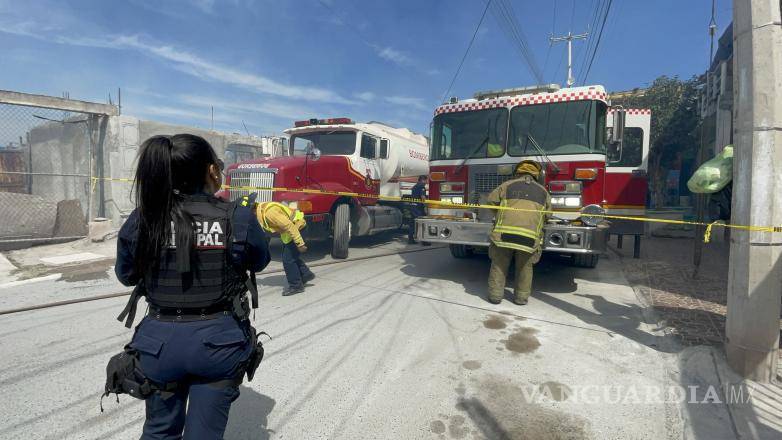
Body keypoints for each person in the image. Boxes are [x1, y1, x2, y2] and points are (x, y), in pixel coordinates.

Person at [115, 134, 271, 439]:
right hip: (219, 346)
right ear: (211, 171)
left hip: (158, 347)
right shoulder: (238, 216)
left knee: (159, 432)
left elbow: (127, 275)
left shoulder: (144, 218)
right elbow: (261, 260)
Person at [486, 160, 550, 305]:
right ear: (536, 175)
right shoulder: (543, 192)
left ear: (518, 172)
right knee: (525, 267)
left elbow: (490, 201)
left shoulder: (507, 186)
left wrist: (500, 214)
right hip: (529, 238)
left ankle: (495, 296)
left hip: (503, 235)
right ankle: (521, 298)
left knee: (499, 265)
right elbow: (548, 214)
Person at [256, 201, 314, 295]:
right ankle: (306, 274)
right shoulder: (261, 209)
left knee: (288, 260)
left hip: (297, 229)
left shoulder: (269, 213)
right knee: (291, 257)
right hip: (291, 233)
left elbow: (289, 226)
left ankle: (296, 286)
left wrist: (300, 243)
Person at [407, 175, 428, 244]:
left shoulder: (415, 186)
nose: (426, 182)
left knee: (412, 223)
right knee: (422, 223)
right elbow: (423, 197)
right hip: (418, 208)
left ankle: (410, 239)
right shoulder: (422, 187)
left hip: (412, 207)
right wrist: (425, 206)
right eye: (425, 180)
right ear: (423, 180)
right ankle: (424, 241)